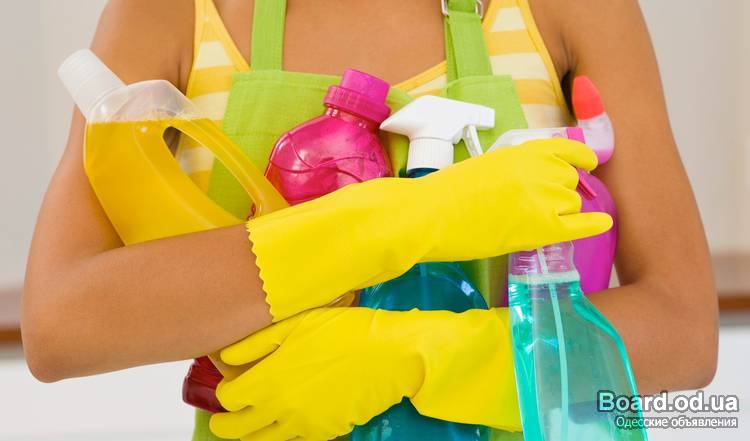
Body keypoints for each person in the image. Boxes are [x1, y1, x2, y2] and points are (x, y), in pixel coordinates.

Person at [23, 0, 718, 440]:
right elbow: (62, 321)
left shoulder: (568, 10)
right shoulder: (172, 13)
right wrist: (403, 220)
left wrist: (414, 357)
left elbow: (682, 332)